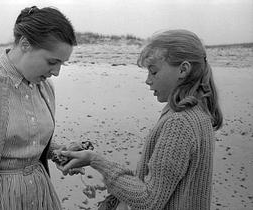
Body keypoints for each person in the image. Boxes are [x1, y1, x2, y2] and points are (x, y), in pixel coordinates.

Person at [58, 29, 223, 210]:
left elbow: (148, 200)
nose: (148, 80)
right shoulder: (199, 112)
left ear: (183, 69)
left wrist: (95, 160)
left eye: (153, 72)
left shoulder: (180, 123)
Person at [0, 6, 78, 210]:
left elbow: (30, 140)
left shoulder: (46, 87)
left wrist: (60, 152)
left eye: (62, 64)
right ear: (25, 44)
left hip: (40, 194)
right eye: (52, 62)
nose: (56, 72)